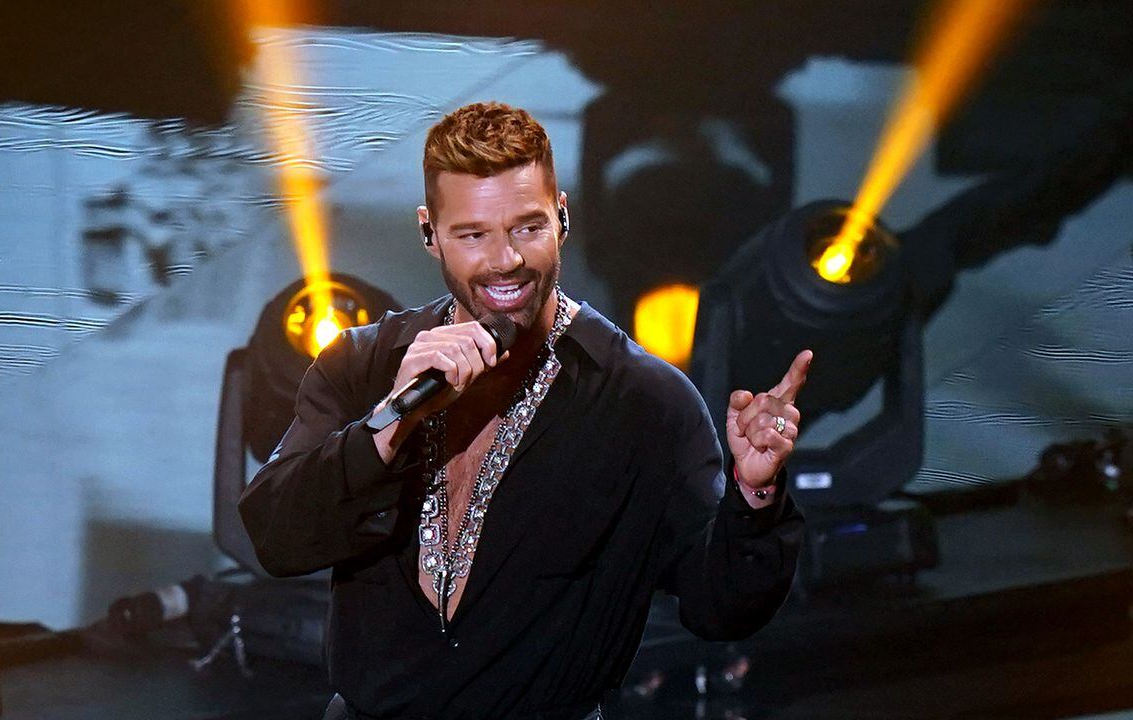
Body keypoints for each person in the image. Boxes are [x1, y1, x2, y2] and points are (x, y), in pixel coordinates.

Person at [239, 101, 807, 720]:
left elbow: (720, 607)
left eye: (527, 227)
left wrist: (755, 495)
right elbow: (277, 537)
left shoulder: (645, 402)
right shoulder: (363, 366)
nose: (505, 259)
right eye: (473, 234)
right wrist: (391, 421)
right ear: (430, 233)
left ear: (561, 218)